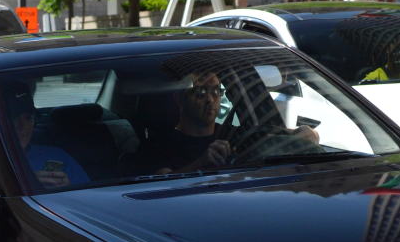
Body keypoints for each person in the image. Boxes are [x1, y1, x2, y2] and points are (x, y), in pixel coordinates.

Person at [129, 70, 318, 175]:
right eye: (200, 92)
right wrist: (202, 163)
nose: (210, 100)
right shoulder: (158, 145)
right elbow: (164, 181)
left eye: (215, 92)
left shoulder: (237, 135)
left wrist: (302, 136)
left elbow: (287, 137)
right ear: (180, 99)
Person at [0, 88, 89, 189]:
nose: (22, 126)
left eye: (28, 118)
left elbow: (89, 198)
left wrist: (67, 187)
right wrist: (27, 183)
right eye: (12, 118)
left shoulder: (57, 156)